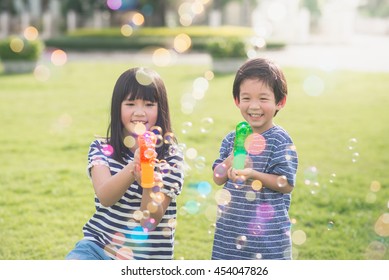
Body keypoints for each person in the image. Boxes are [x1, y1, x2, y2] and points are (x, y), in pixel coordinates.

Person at [66, 67, 184, 260]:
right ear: (117, 107)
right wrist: (132, 167)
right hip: (98, 248)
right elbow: (105, 196)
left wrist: (148, 182)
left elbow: (149, 222)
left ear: (161, 108)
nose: (139, 112)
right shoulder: (102, 147)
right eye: (130, 103)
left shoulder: (170, 156)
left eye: (149, 104)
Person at [211, 58, 298, 260]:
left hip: (268, 239)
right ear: (236, 100)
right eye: (247, 98)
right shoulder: (232, 138)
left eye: (263, 98)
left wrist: (253, 175)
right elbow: (217, 178)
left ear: (280, 102)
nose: (254, 106)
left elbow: (285, 184)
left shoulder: (280, 140)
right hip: (229, 236)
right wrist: (228, 161)